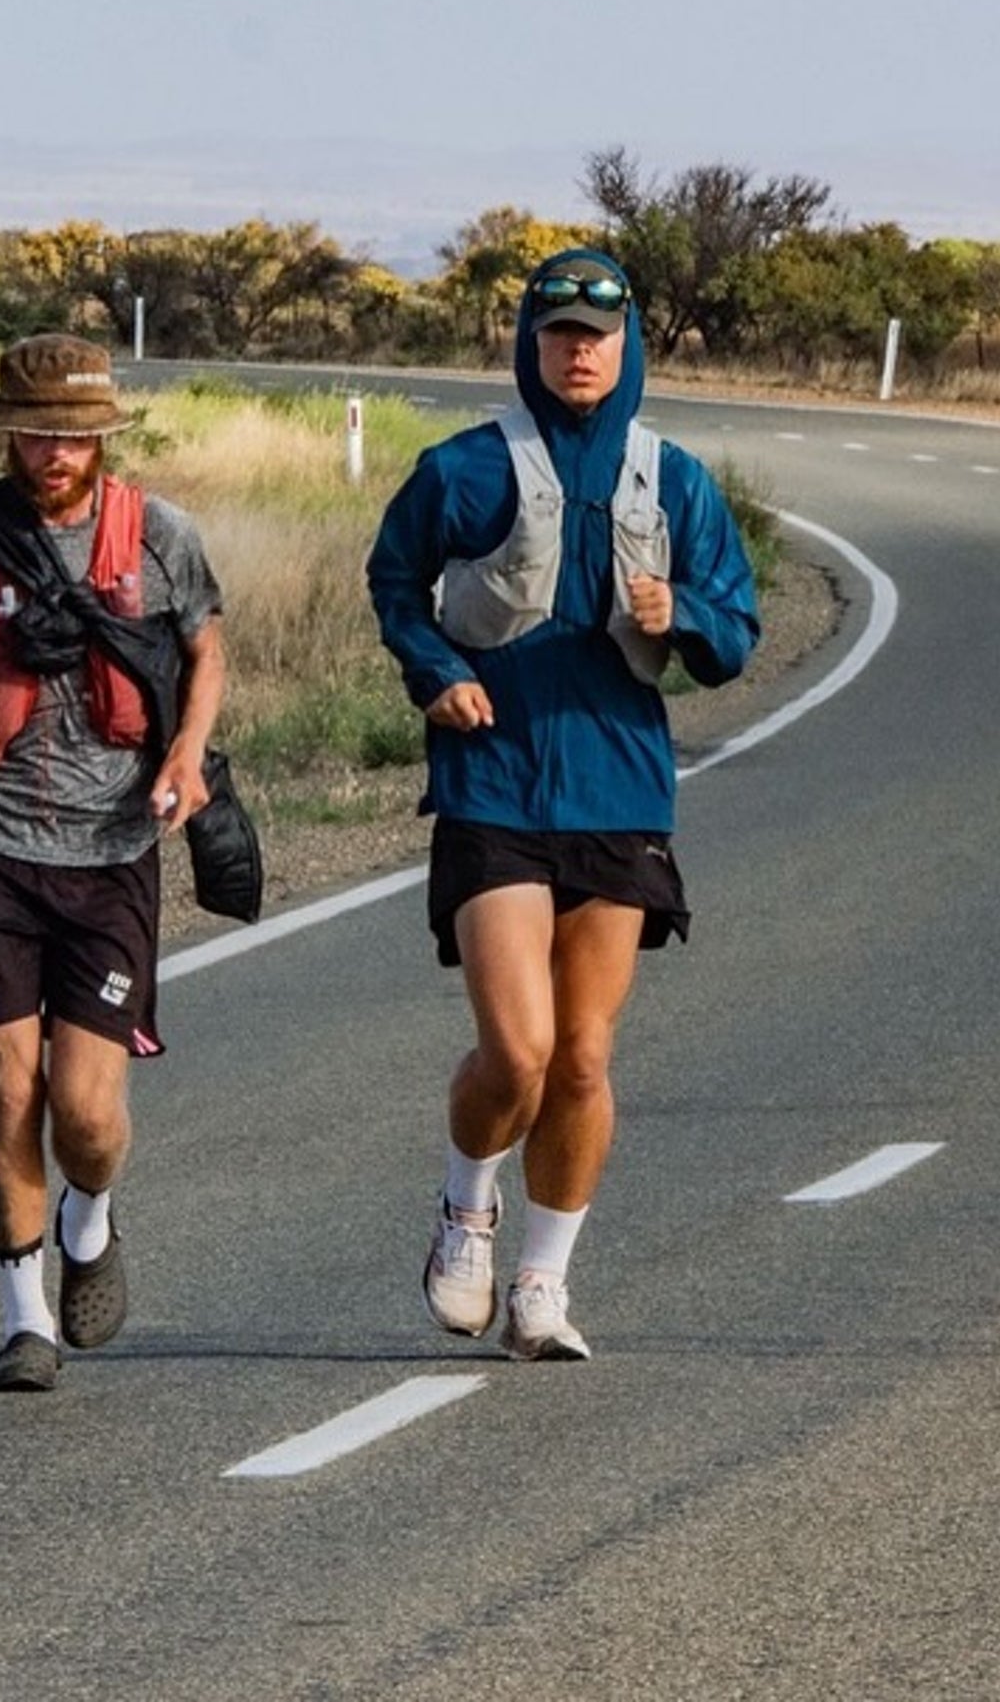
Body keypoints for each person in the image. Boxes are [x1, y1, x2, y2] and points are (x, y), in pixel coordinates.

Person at [366, 248, 760, 1361]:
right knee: (519, 1050)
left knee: (583, 1057)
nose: (578, 351)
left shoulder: (674, 479)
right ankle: (465, 1209)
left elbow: (733, 636)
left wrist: (678, 608)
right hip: (492, 787)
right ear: (528, 345)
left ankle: (544, 1285)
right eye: (558, 334)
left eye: (598, 333)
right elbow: (395, 581)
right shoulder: (466, 470)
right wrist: (435, 672)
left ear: (628, 342)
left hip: (620, 787)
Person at [0, 333, 226, 1393]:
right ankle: (26, 1322)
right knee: (4, 1087)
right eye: (34, 434)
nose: (53, 453)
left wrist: (190, 754)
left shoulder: (162, 537)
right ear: (7, 434)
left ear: (102, 437)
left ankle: (90, 1215)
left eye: (72, 436)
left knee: (89, 1115)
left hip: (113, 853)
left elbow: (206, 648)